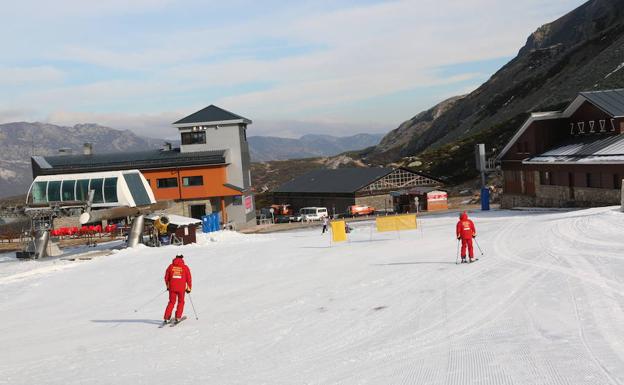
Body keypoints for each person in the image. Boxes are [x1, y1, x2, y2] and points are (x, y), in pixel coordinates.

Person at [163, 254, 192, 325]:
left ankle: (166, 317)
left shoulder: (170, 267)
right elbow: (189, 278)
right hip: (181, 288)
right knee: (181, 302)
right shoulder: (185, 267)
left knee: (171, 302)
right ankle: (178, 317)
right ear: (182, 258)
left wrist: (168, 286)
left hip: (172, 288)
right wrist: (189, 288)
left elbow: (166, 277)